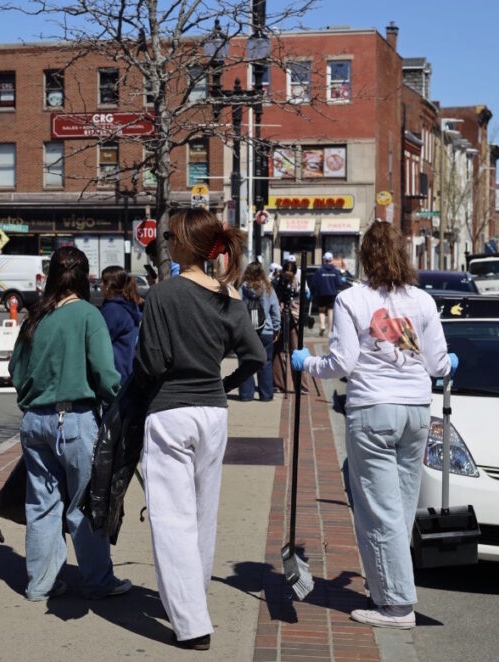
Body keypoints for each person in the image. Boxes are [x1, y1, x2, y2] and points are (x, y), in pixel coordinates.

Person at [290, 221, 458, 630]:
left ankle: (396, 606)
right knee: (399, 508)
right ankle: (386, 586)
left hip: (373, 410)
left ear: (365, 257)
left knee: (380, 511)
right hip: (416, 410)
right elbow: (438, 364)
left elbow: (342, 363)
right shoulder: (422, 301)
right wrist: (451, 364)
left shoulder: (351, 300)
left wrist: (307, 363)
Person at [135, 208, 266, 650]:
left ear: (186, 244)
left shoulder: (163, 295)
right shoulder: (229, 296)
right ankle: (194, 596)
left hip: (170, 410)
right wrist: (225, 383)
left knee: (172, 519)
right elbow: (256, 356)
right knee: (203, 512)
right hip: (213, 411)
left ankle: (191, 622)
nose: (166, 243)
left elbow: (152, 363)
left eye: (171, 237)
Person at [7, 246, 130, 602]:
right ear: (84, 277)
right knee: (85, 505)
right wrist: (119, 401)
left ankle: (40, 583)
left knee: (42, 505)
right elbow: (106, 374)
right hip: (75, 420)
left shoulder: (36, 316)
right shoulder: (89, 315)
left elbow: (16, 370)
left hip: (35, 421)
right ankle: (98, 580)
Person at [238, 261, 281, 402]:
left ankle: (246, 394)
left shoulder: (242, 288)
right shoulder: (268, 288)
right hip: (265, 330)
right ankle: (266, 394)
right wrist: (276, 328)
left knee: (245, 362)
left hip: (246, 331)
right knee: (265, 362)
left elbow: (235, 308)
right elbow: (275, 310)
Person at [98, 265, 143, 384]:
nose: (100, 285)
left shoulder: (112, 310)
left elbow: (100, 342)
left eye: (103, 281)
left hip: (116, 373)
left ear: (109, 285)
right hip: (128, 371)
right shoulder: (129, 305)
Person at [273, 261, 309, 396]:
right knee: (278, 351)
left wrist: (294, 305)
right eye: (285, 275)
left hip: (294, 319)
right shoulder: (276, 283)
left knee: (296, 351)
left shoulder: (298, 284)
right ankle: (278, 384)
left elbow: (302, 301)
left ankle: (301, 386)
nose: (287, 278)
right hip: (280, 319)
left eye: (290, 276)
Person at [310, 251, 345, 336]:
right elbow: (339, 283)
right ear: (331, 260)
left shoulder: (319, 271)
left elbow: (313, 283)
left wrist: (312, 292)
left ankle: (322, 325)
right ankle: (329, 331)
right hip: (332, 294)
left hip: (321, 294)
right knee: (330, 311)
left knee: (321, 311)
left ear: (324, 260)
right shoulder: (335, 271)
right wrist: (343, 279)